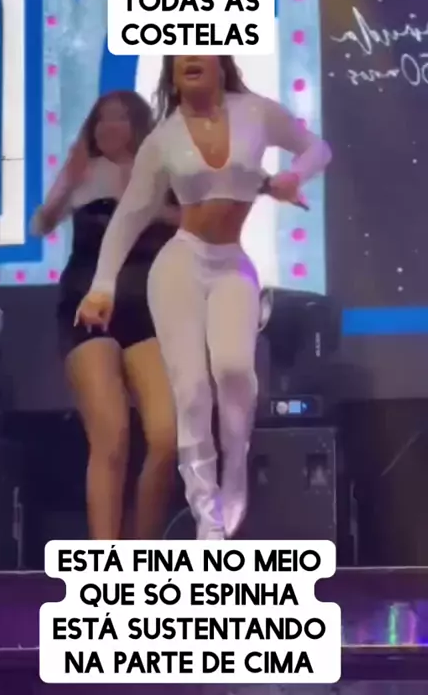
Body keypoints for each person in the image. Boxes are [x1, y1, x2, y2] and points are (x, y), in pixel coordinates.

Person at [75, 57, 332, 540]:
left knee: (234, 370)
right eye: (180, 55)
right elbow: (130, 215)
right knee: (191, 390)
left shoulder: (256, 112)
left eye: (201, 48)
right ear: (172, 74)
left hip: (232, 266)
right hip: (180, 266)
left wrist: (295, 176)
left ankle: (234, 466)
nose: (191, 57)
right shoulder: (164, 138)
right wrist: (102, 285)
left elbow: (318, 148)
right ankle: (207, 516)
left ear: (219, 61)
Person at [31, 91, 178, 540]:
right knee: (111, 437)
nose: (108, 127)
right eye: (101, 120)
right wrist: (66, 185)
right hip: (88, 307)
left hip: (147, 311)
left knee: (168, 436)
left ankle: (143, 550)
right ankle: (105, 559)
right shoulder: (84, 171)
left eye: (119, 119)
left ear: (138, 125)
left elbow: (197, 224)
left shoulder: (161, 171)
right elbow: (41, 224)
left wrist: (146, 201)